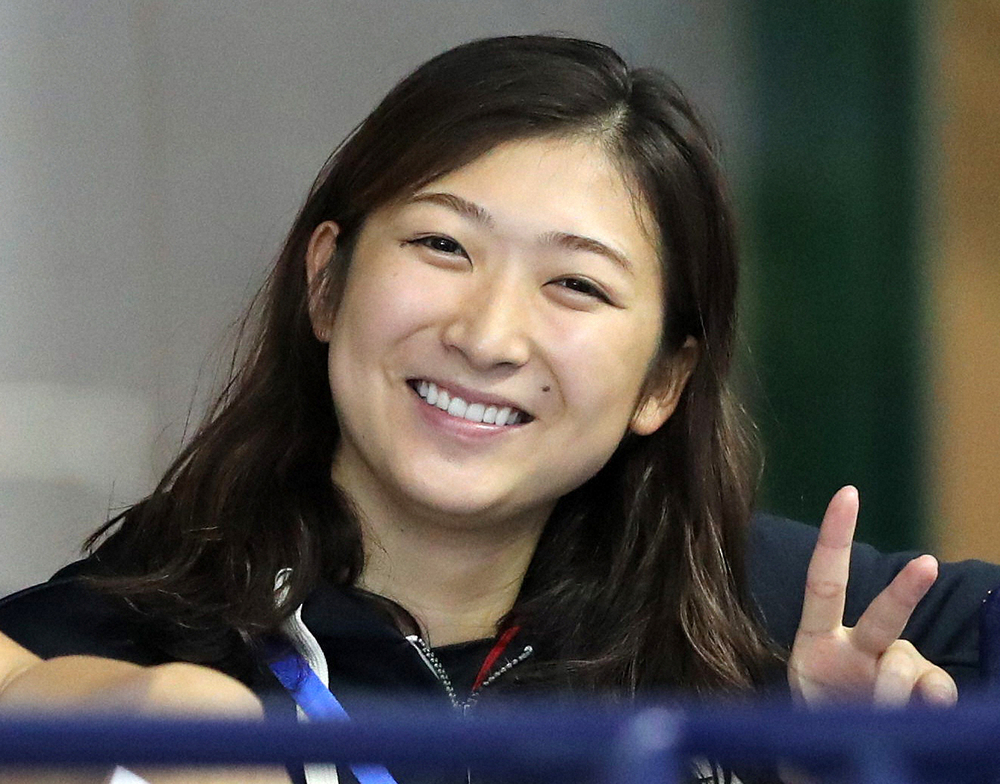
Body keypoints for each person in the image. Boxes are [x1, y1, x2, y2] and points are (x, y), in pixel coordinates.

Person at [1, 34, 997, 784]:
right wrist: (136, 711)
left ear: (664, 381)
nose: (487, 336)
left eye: (576, 285)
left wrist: (846, 758)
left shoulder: (763, 616)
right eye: (443, 246)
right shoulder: (147, 630)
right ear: (326, 281)